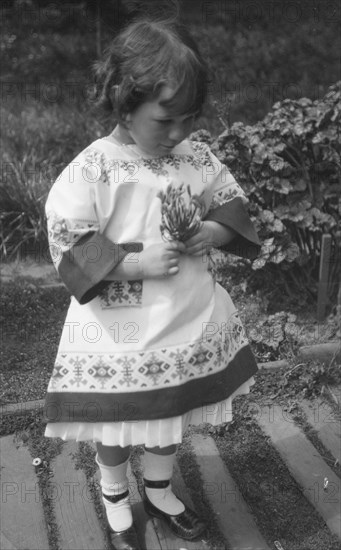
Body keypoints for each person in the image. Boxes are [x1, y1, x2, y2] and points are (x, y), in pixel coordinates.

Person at [44, 17, 261, 550]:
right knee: (119, 423)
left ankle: (159, 488)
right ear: (124, 104)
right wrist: (129, 264)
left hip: (183, 317)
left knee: (170, 414)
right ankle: (115, 492)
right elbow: (66, 236)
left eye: (189, 119)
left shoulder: (194, 157)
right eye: (165, 119)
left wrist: (210, 230)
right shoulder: (94, 168)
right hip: (119, 334)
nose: (179, 133)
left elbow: (230, 201)